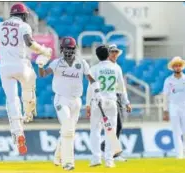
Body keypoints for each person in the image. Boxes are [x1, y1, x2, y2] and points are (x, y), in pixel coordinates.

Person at [0, 3, 52, 155]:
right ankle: (29, 112)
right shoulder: (24, 26)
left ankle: (18, 133)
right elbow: (29, 43)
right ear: (24, 15)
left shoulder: (0, 25)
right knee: (29, 82)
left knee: (11, 100)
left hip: (4, 68)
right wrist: (44, 50)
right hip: (21, 65)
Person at [37, 36, 102, 171]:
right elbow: (43, 75)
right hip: (61, 99)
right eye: (66, 49)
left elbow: (91, 79)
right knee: (68, 129)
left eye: (71, 48)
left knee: (69, 131)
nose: (69, 51)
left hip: (76, 101)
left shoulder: (82, 63)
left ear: (75, 49)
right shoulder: (56, 63)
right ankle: (68, 163)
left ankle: (57, 156)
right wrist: (41, 66)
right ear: (62, 49)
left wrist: (98, 93)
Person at [86, 45, 130, 168]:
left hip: (97, 102)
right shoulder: (116, 68)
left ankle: (96, 158)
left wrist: (87, 104)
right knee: (110, 131)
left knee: (95, 131)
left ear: (97, 56)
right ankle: (109, 160)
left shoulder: (94, 69)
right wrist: (126, 102)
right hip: (111, 102)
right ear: (108, 54)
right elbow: (121, 88)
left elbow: (91, 87)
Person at [99, 45, 131, 162]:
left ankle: (110, 151)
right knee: (114, 126)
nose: (114, 54)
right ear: (108, 53)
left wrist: (126, 101)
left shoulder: (116, 67)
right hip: (107, 98)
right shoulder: (106, 67)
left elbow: (122, 87)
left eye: (116, 52)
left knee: (116, 127)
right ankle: (109, 151)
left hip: (116, 98)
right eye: (112, 52)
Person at [163, 56, 185, 159]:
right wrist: (165, 111)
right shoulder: (168, 80)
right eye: (175, 66)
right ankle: (179, 154)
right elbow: (165, 96)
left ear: (182, 67)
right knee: (176, 131)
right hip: (173, 106)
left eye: (179, 65)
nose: (177, 67)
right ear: (173, 67)